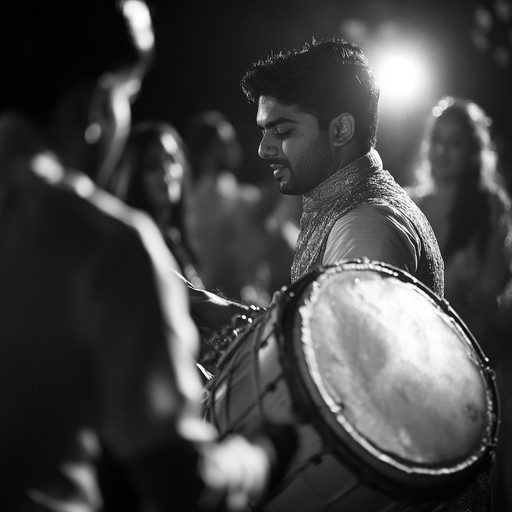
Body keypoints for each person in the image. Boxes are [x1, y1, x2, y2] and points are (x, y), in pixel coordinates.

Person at [0, 1, 296, 511]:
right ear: (97, 103)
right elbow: (181, 486)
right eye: (129, 95)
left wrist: (194, 301)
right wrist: (266, 451)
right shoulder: (105, 241)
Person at [189, 37, 493, 511]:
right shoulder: (345, 202)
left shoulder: (367, 224)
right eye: (264, 130)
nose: (264, 147)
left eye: (283, 131)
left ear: (340, 129)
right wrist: (212, 308)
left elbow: (338, 386)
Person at [408, 96, 512, 512]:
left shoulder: (491, 209)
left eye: (455, 143)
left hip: (477, 360)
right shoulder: (411, 205)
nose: (442, 151)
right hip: (418, 360)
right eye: (437, 141)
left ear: (473, 152)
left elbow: (489, 294)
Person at [184, 110, 282, 306]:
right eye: (226, 143)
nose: (235, 148)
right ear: (207, 152)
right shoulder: (211, 197)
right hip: (226, 306)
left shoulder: (199, 196)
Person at [109, 120, 204, 288]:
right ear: (135, 176)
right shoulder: (134, 243)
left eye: (172, 159)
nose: (166, 171)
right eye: (152, 165)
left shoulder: (177, 234)